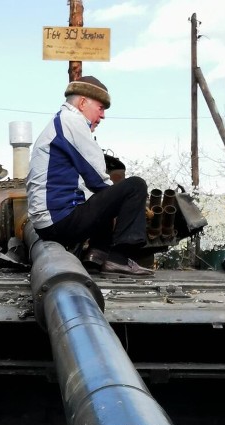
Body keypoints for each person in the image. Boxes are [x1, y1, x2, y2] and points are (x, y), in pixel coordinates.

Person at [25, 76, 153, 276]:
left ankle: (96, 256)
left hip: (50, 221)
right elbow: (97, 178)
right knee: (135, 186)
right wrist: (131, 205)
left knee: (97, 200)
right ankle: (119, 258)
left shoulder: (60, 122)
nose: (102, 116)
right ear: (83, 102)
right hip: (59, 221)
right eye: (100, 108)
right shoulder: (72, 122)